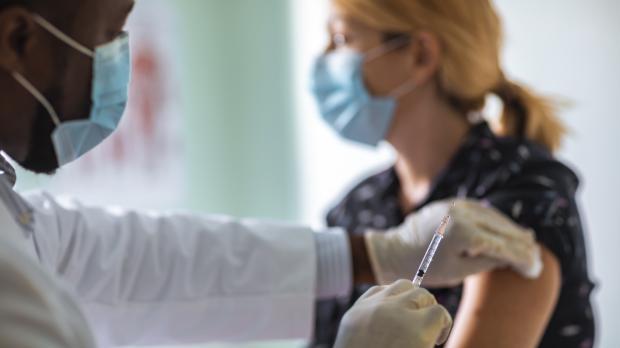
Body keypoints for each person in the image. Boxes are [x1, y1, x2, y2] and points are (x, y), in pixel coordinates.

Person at [0, 0, 542, 347]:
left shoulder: (520, 194)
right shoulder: (359, 203)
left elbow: (119, 260)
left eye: (342, 39)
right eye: (108, 31)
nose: (112, 58)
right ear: (17, 39)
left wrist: (368, 255)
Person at [310, 0, 595, 347]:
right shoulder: (354, 209)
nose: (323, 58)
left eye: (341, 39)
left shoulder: (521, 191)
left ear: (419, 55)